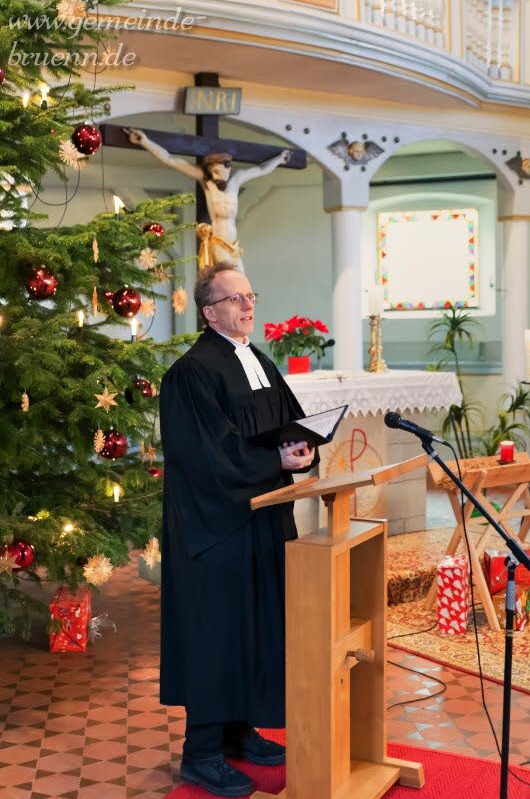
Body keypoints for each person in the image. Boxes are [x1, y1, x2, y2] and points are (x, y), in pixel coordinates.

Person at [159, 263, 318, 797]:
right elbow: (205, 454)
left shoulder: (258, 360)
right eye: (235, 299)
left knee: (254, 625)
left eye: (251, 295)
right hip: (217, 526)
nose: (248, 305)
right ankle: (202, 752)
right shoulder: (190, 372)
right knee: (218, 632)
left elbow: (288, 425)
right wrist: (275, 461)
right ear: (209, 312)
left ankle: (238, 731)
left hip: (263, 517)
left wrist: (303, 449)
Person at [125, 127, 292, 271]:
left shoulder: (236, 180)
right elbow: (171, 160)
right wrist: (145, 142)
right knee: (230, 278)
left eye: (220, 172)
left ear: (229, 169)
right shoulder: (207, 182)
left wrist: (279, 159)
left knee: (241, 279)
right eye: (214, 172)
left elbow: (261, 170)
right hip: (217, 241)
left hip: (234, 243)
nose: (218, 176)